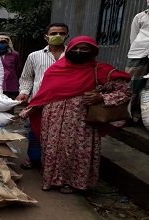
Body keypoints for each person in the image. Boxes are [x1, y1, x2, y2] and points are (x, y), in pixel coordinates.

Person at [19, 36, 131, 193]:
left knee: (78, 151)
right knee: (53, 149)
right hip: (53, 120)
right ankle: (54, 180)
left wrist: (101, 97)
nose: (78, 52)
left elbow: (125, 91)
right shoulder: (55, 70)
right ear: (69, 50)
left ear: (92, 51)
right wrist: (30, 108)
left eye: (84, 49)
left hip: (82, 121)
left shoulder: (100, 70)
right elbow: (45, 94)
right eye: (75, 49)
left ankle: (75, 183)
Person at [16, 23, 69, 170]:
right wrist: (24, 93)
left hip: (65, 103)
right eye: (53, 33)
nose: (57, 36)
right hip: (39, 102)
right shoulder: (35, 56)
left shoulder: (72, 55)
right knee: (34, 132)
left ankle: (55, 164)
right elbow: (27, 78)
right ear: (46, 37)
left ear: (67, 36)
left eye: (61, 33)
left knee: (61, 136)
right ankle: (33, 159)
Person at [126, 4, 149, 124]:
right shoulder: (140, 17)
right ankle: (126, 116)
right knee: (131, 85)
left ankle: (142, 118)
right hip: (138, 53)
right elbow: (133, 37)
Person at [0, 35, 21, 99]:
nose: (0, 44)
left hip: (11, 84)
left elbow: (18, 68)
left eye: (3, 43)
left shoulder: (15, 54)